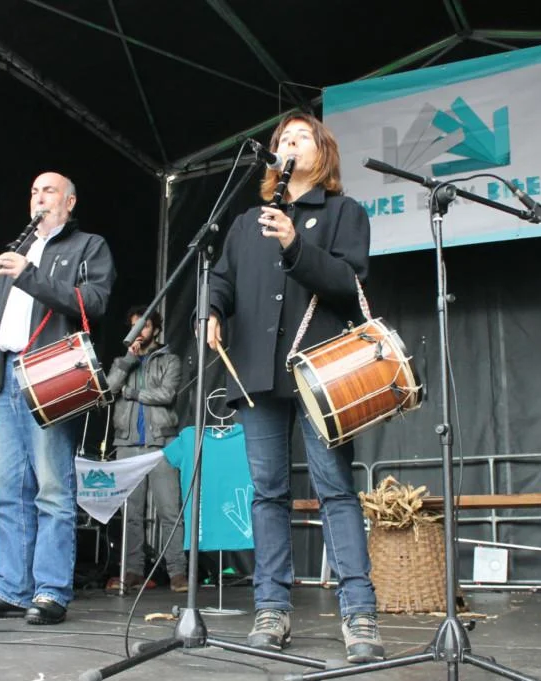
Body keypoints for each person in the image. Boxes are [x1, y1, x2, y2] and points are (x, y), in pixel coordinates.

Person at [206, 113, 384, 663]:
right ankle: (271, 607)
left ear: (322, 152)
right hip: (256, 372)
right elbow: (221, 278)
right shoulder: (246, 222)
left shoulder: (344, 212)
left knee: (335, 488)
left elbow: (350, 284)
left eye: (301, 136)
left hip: (322, 370)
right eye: (283, 139)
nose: (289, 143)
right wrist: (211, 310)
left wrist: (295, 245)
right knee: (267, 492)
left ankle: (359, 612)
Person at [0, 172, 116, 625]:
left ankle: (50, 591)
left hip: (51, 376)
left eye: (48, 191)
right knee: (7, 490)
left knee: (52, 488)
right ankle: (11, 587)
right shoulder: (21, 247)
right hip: (6, 376)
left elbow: (93, 302)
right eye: (33, 191)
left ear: (69, 201)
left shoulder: (88, 246)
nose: (38, 197)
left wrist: (29, 274)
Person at [104, 305, 187, 593]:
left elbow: (166, 395)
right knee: (131, 513)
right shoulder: (121, 362)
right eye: (134, 326)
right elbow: (108, 389)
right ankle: (133, 571)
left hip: (161, 443)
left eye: (145, 326)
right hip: (127, 444)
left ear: (156, 329)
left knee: (170, 511)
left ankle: (178, 572)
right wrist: (129, 360)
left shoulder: (170, 360)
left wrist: (131, 392)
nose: (139, 332)